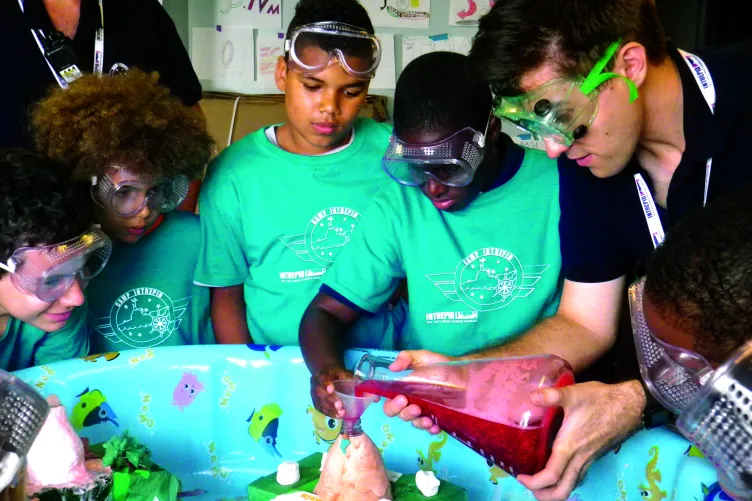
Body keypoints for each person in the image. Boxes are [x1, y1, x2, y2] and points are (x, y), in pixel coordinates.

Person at [467, 1, 752, 498]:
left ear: (630, 66)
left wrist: (641, 399)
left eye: (561, 114)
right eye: (537, 127)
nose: (554, 147)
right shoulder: (587, 159)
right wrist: (462, 379)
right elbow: (584, 322)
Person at [301, 51, 628, 422]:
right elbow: (325, 312)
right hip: (428, 408)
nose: (432, 188)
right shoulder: (399, 204)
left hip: (536, 409)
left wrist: (467, 371)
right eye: (417, 169)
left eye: (449, 169)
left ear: (491, 131)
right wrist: (325, 370)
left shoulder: (565, 186)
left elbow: (589, 326)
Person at [194, 0, 404, 346]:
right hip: (275, 368)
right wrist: (250, 377)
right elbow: (227, 294)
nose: (329, 108)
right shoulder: (232, 174)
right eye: (312, 86)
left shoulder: (394, 154)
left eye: (351, 92)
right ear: (282, 74)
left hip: (377, 366)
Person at [32, 70, 214, 354]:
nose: (143, 212)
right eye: (125, 193)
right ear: (86, 181)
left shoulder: (196, 237)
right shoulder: (66, 258)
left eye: (155, 192)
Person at [1, 0, 202, 151]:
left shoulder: (140, 11)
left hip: (128, 203)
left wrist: (175, 204)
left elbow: (189, 125)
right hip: (22, 203)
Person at [0, 149, 111, 371]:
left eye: (80, 268)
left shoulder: (59, 313)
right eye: (51, 280)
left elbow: (60, 389)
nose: (77, 298)